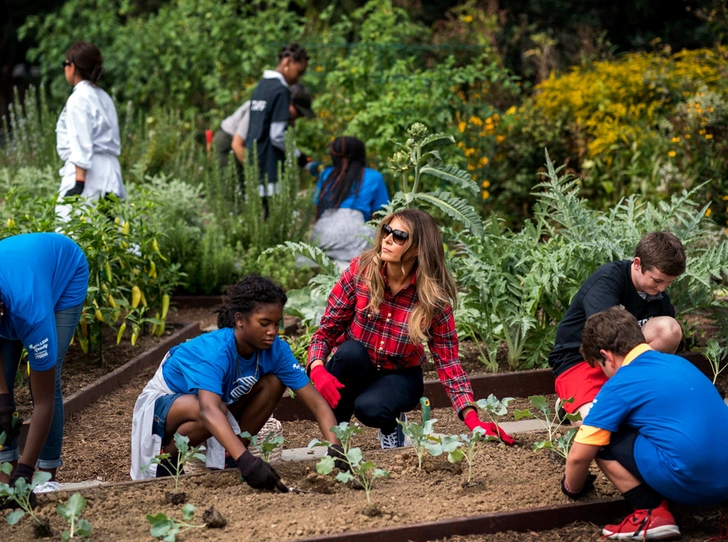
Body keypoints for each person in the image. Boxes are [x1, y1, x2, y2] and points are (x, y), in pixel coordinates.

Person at [306, 208, 515, 449]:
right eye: (387, 231)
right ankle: (336, 439)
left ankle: (391, 425)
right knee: (351, 352)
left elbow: (448, 363)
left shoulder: (432, 299)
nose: (387, 239)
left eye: (399, 236)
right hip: (356, 365)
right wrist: (318, 368)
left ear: (418, 248)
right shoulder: (360, 271)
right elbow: (326, 331)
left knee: (370, 408)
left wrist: (472, 419)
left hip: (399, 374)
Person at [130, 276, 343, 489]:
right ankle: (168, 459)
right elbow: (209, 411)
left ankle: (230, 455)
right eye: (264, 323)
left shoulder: (276, 350)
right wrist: (248, 462)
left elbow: (316, 403)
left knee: (274, 382)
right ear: (240, 320)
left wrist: (336, 447)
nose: (273, 331)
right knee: (213, 410)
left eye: (277, 323)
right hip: (163, 407)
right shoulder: (215, 351)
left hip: (213, 405)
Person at [562, 307, 728, 540]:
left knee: (601, 438)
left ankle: (650, 512)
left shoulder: (621, 383)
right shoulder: (680, 364)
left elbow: (579, 455)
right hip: (724, 482)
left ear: (607, 356)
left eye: (600, 367)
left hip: (694, 484)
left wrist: (572, 488)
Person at [548, 232, 685, 423]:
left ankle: (628, 396)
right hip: (582, 361)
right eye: (657, 280)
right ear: (637, 264)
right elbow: (607, 338)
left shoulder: (657, 293)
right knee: (594, 423)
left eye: (669, 283)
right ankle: (571, 404)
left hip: (622, 367)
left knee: (669, 329)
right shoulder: (606, 282)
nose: (662, 289)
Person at [0, 233, 89, 495]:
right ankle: (7, 471)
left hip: (65, 271)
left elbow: (43, 401)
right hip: (20, 264)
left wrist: (26, 473)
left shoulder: (32, 314)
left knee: (47, 382)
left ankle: (46, 474)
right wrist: (3, 400)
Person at [55, 41, 126, 220]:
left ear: (72, 67)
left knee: (73, 233)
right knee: (114, 236)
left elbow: (81, 141)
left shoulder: (78, 99)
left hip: (88, 174)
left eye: (65, 64)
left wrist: (78, 184)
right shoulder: (104, 97)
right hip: (111, 173)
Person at [245, 44, 314, 210]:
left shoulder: (261, 87)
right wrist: (300, 158)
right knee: (272, 217)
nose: (298, 79)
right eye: (299, 72)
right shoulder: (281, 90)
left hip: (255, 164)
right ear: (287, 62)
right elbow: (277, 135)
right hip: (270, 168)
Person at [214, 84, 315, 191]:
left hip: (246, 144)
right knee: (234, 188)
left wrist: (302, 160)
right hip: (230, 140)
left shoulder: (283, 119)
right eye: (298, 112)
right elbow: (237, 144)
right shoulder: (261, 108)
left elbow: (278, 142)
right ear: (287, 102)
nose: (299, 117)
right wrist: (255, 174)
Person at [310, 136, 389, 268]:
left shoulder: (326, 175)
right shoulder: (374, 176)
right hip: (357, 240)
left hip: (323, 234)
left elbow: (318, 209)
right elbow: (379, 215)